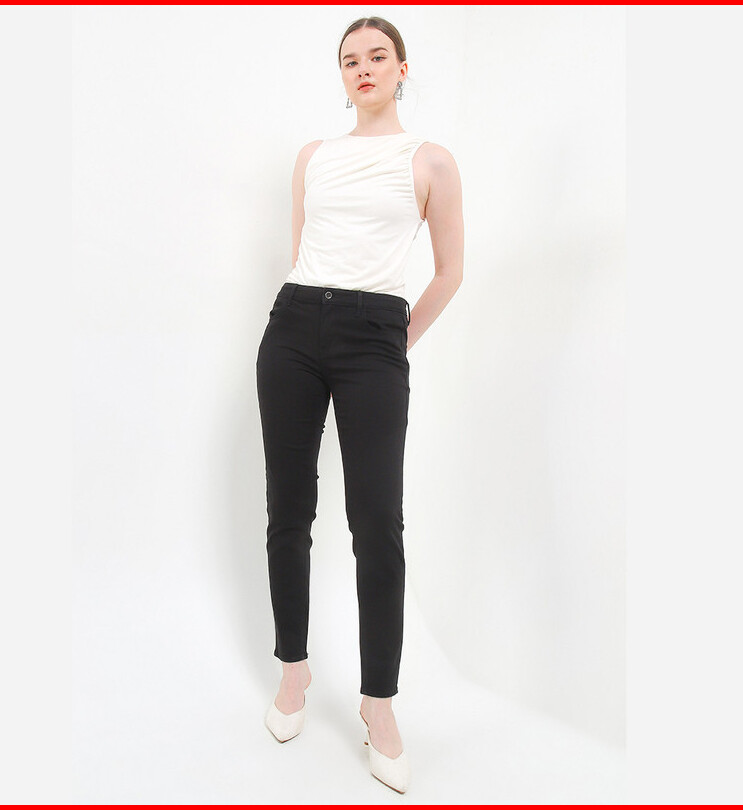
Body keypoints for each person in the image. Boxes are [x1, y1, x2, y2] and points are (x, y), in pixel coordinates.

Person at [256, 15, 463, 793]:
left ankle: (379, 702)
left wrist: (392, 342)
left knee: (377, 521)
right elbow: (304, 249)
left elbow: (450, 270)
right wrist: (316, 322)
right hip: (293, 326)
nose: (364, 68)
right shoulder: (314, 157)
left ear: (403, 68)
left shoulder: (430, 160)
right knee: (287, 507)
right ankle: (294, 669)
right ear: (341, 76)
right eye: (351, 60)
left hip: (376, 332)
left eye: (378, 56)